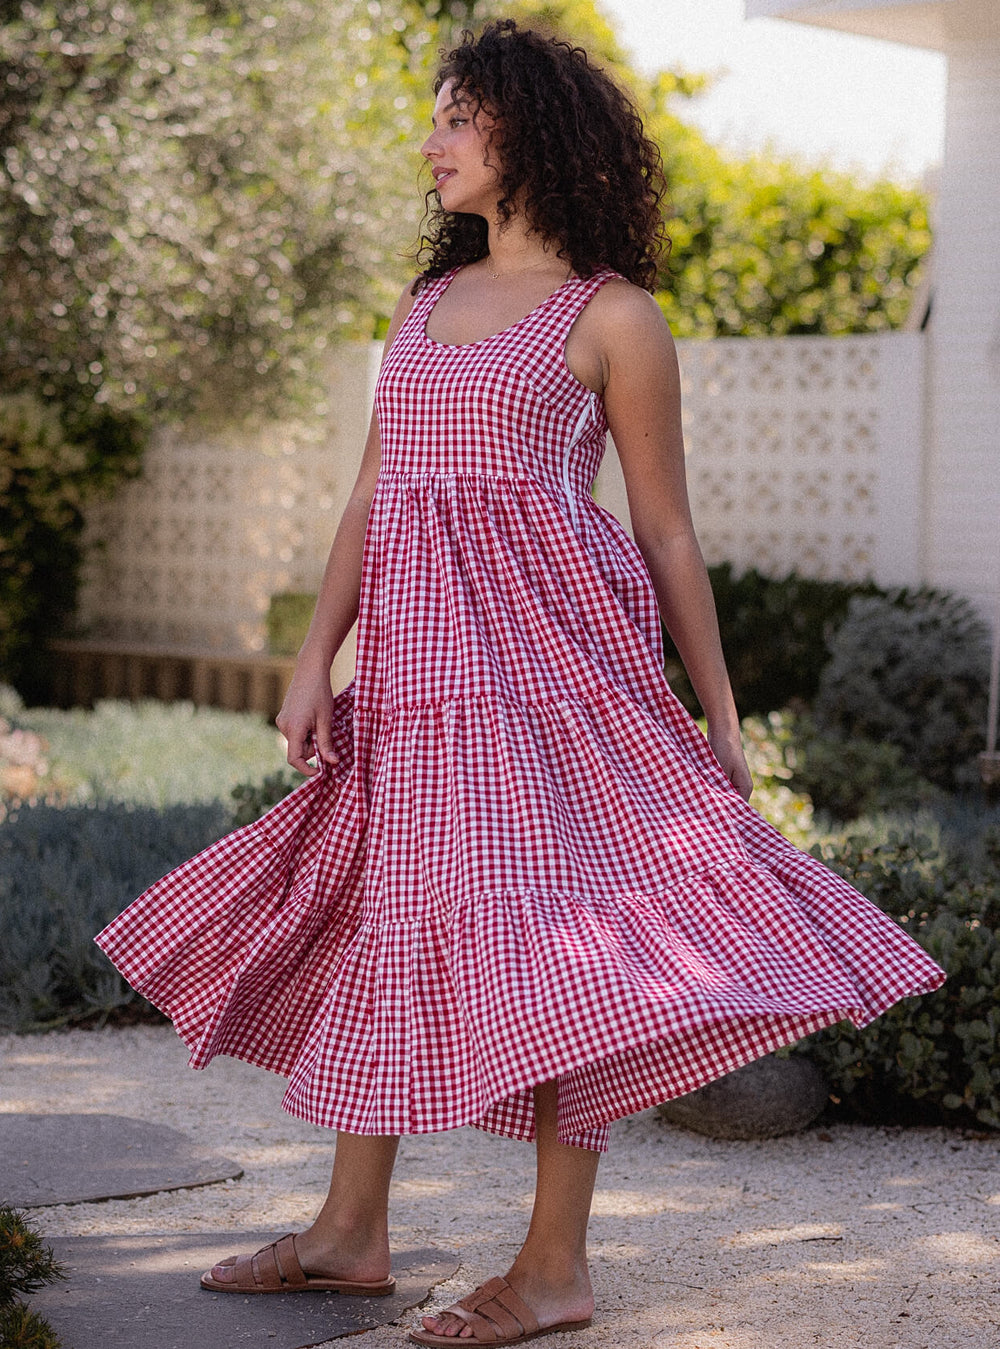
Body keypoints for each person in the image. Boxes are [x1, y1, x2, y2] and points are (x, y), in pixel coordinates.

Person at [95, 19, 945, 1346]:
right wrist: (317, 655)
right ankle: (348, 1231)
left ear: (527, 134)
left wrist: (720, 715)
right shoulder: (422, 306)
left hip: (554, 687)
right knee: (387, 914)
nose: (429, 142)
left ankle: (554, 1266)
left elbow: (666, 532)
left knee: (560, 948)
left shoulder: (612, 318)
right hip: (419, 693)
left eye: (455, 118)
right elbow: (377, 490)